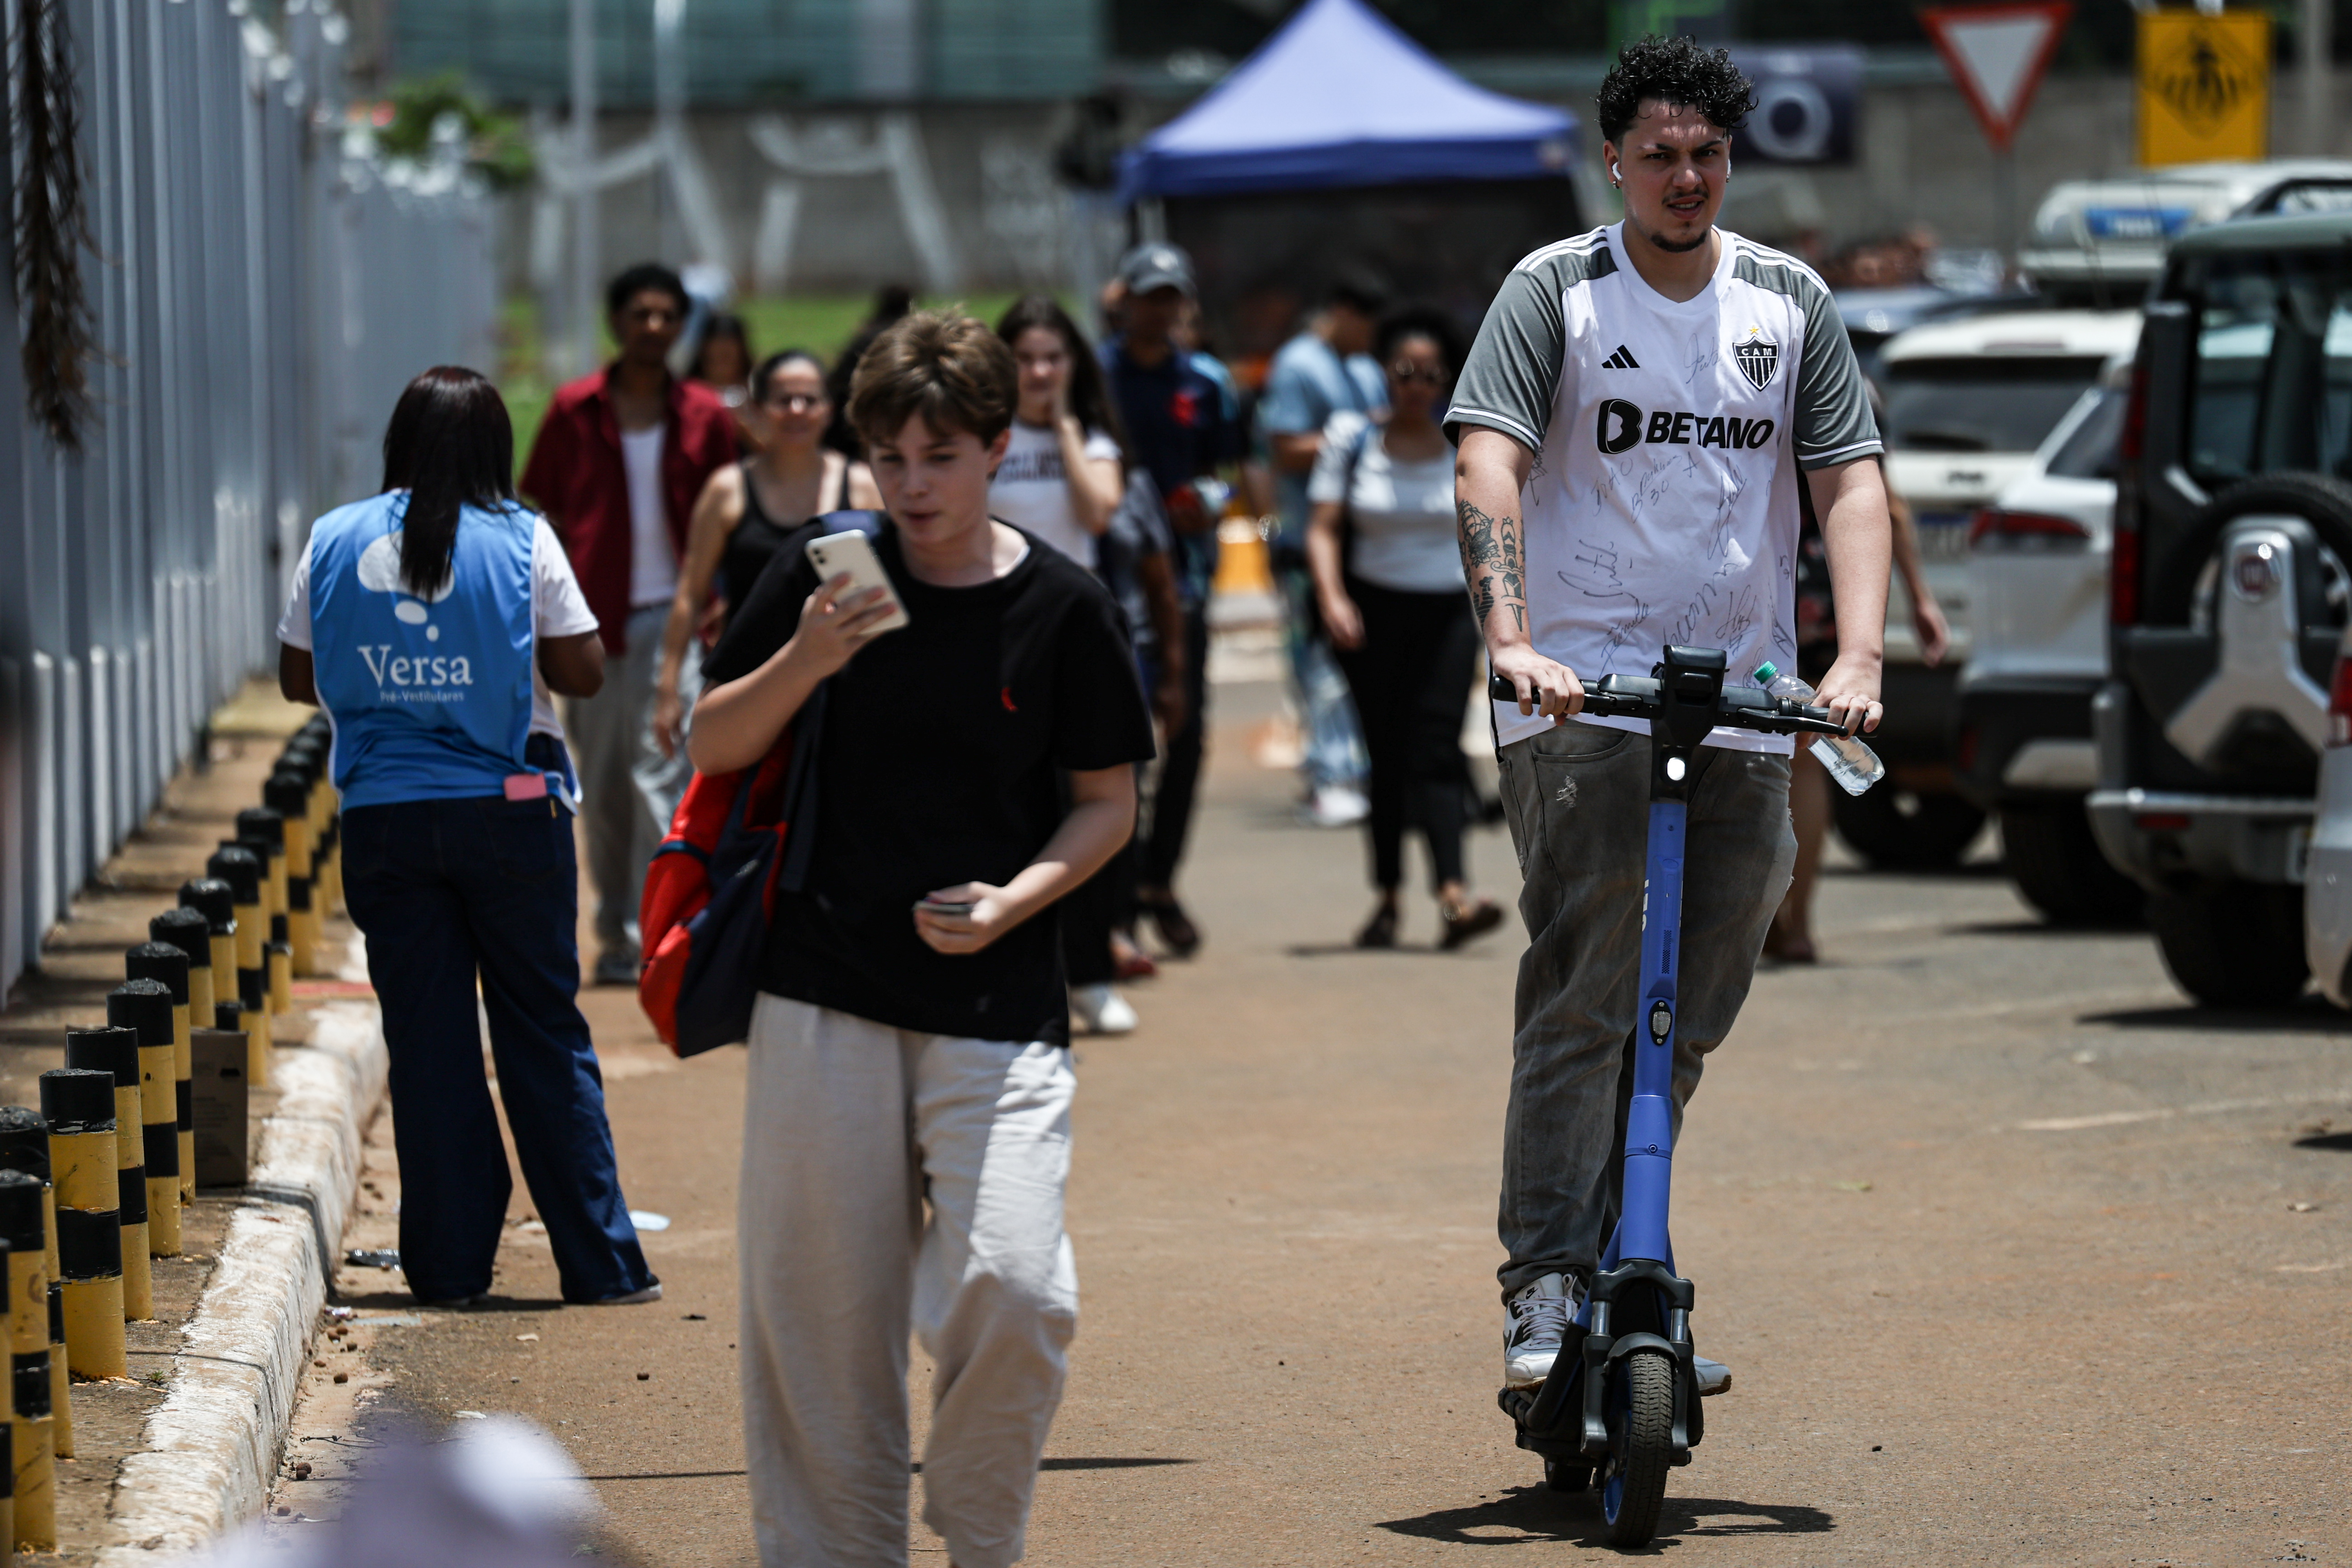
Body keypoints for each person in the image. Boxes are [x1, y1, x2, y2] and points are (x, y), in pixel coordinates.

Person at [1447, 38, 1892, 1394]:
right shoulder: (1557, 293)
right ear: (1615, 163)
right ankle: (1547, 1284)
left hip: (1747, 702)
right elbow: (1488, 460)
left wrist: (1858, 656)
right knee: (1592, 990)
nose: (1685, 178)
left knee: (1688, 1008)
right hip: (1582, 696)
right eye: (1659, 156)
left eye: (1706, 155)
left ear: (1730, 160)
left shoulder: (1788, 299)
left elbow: (1851, 483)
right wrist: (1511, 638)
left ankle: (1621, 1252)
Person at [690, 311, 1156, 1568]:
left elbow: (1106, 799)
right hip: (820, 987)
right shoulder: (822, 568)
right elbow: (714, 743)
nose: (910, 484)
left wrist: (1012, 900)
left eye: (940, 455)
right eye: (889, 456)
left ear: (1000, 447)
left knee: (1018, 1283)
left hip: (998, 998)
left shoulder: (1061, 607)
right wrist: (807, 652)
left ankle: (980, 1523)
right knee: (819, 1324)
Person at [275, 367, 658, 1309]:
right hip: (512, 812)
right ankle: (601, 1264)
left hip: (384, 822)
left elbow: (297, 676)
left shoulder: (332, 537)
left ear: (398, 444)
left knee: (430, 1043)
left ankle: (446, 1268)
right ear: (495, 449)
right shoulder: (523, 539)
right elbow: (584, 669)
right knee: (543, 1032)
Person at [520, 262, 739, 985]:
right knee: (606, 782)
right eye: (640, 314)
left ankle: (663, 929)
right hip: (588, 623)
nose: (653, 328)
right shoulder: (574, 410)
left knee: (660, 773)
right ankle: (614, 932)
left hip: (676, 621)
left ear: (684, 326)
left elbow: (739, 514)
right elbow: (536, 511)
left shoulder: (706, 417)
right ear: (616, 323)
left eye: (667, 316)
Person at [1306, 305, 1504, 952]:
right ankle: (1387, 897)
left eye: (1430, 375)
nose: (1416, 386)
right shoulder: (1349, 437)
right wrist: (1333, 597)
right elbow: (1323, 526)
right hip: (1369, 612)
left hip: (1446, 611)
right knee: (1385, 753)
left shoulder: (1464, 443)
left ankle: (1453, 894)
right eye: (1404, 372)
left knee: (1438, 745)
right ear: (1384, 374)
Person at [991, 295, 1158, 1031]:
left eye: (1051, 357)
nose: (1038, 370)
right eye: (1024, 358)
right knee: (1013, 809)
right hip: (994, 638)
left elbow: (1100, 514)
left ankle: (1091, 974)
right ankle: (1025, 974)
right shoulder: (981, 438)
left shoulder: (1089, 438)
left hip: (1075, 638)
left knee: (1094, 802)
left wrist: (1060, 427)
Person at [1100, 242, 1246, 959]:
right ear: (1123, 299)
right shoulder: (1097, 377)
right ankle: (1119, 893)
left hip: (1184, 576)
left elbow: (1228, 476)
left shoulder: (1208, 382)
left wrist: (1207, 505)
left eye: (1170, 297)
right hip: (1111, 579)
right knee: (1119, 741)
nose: (1159, 310)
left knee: (1184, 734)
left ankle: (1160, 880)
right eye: (1147, 295)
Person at [651, 349, 881, 759]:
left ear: (830, 409)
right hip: (748, 690)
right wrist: (668, 686)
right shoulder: (728, 489)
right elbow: (691, 591)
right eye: (783, 399)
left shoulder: (864, 486)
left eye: (809, 399)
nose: (797, 410)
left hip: (847, 689)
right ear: (757, 409)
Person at [1765, 450, 1949, 963]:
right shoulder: (1851, 389)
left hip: (1763, 573)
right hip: (1829, 580)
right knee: (1806, 758)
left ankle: (1760, 913)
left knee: (1745, 751)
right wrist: (1919, 596)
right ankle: (1797, 921)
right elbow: (1883, 502)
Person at [1260, 269, 1391, 828]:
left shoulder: (1365, 368)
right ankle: (1328, 775)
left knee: (1361, 659)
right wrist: (1359, 434)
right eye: (1363, 325)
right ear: (1341, 312)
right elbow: (1285, 447)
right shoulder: (1298, 364)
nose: (1368, 338)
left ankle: (1359, 769)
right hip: (1304, 536)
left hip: (1362, 535)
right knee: (1317, 662)